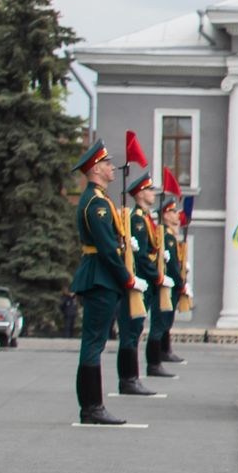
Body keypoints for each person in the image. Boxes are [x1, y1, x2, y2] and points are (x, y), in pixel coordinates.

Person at [68, 139, 136, 424]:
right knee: (93, 342)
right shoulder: (96, 203)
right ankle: (92, 407)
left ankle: (92, 406)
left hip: (102, 275)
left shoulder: (101, 199)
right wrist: (126, 277)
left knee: (94, 342)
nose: (112, 168)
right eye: (107, 164)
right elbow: (107, 248)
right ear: (95, 169)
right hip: (100, 276)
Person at [116, 170, 160, 398]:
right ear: (141, 193)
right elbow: (140, 256)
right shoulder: (137, 220)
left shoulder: (145, 219)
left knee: (135, 330)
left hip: (144, 281)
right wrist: (156, 276)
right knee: (131, 331)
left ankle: (131, 378)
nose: (154, 193)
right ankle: (128, 379)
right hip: (139, 281)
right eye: (150, 190)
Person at [150, 199, 190, 373]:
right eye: (173, 212)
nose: (177, 215)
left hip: (170, 285)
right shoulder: (167, 236)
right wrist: (181, 283)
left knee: (165, 322)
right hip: (166, 286)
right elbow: (172, 265)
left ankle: (161, 355)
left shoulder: (169, 235)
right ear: (165, 215)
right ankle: (154, 363)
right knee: (159, 324)